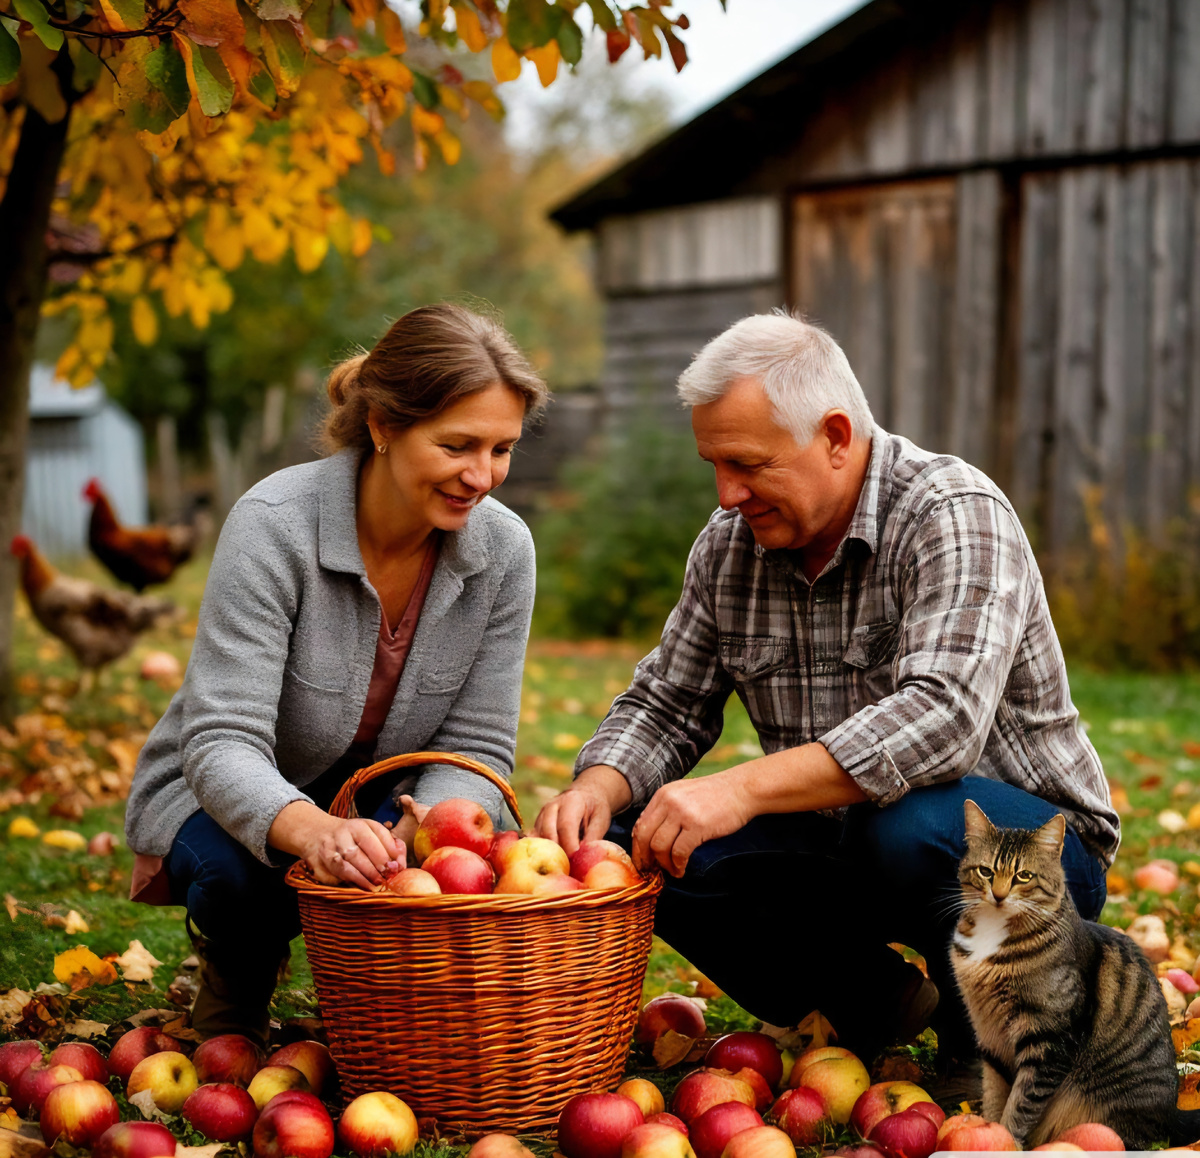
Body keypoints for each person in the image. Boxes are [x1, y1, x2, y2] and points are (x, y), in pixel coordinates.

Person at [535, 311, 1115, 1072]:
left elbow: (941, 719)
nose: (727, 492)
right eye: (713, 463)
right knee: (634, 841)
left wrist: (740, 790)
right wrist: (599, 787)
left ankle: (991, 1029)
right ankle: (871, 1002)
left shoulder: (952, 512)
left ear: (836, 436)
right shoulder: (728, 547)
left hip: (1017, 850)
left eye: (747, 463)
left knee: (906, 825)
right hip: (845, 838)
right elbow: (667, 703)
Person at [126, 303, 547, 1046]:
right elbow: (222, 740)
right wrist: (313, 830)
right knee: (241, 878)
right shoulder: (275, 524)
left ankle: (377, 997)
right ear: (384, 424)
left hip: (388, 794)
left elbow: (479, 744)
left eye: (502, 448)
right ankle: (237, 965)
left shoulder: (504, 552)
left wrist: (435, 836)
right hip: (228, 791)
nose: (482, 476)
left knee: (422, 875)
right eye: (458, 445)